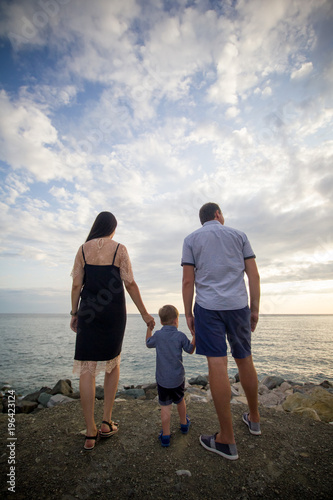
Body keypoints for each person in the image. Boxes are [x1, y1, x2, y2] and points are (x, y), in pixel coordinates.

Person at [181, 202, 261, 461]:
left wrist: (189, 313)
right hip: (238, 306)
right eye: (222, 213)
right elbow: (253, 276)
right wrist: (255, 309)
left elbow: (187, 280)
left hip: (208, 307)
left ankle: (227, 438)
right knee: (244, 359)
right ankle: (255, 420)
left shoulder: (191, 239)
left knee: (217, 365)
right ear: (217, 214)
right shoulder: (239, 236)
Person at [70, 211, 154, 451]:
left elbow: (77, 284)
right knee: (112, 363)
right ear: (113, 229)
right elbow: (130, 283)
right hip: (113, 314)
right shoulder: (120, 250)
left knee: (87, 367)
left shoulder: (83, 250)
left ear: (96, 226)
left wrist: (74, 313)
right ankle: (106, 422)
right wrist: (145, 314)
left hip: (88, 312)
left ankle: (90, 431)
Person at [146, 305, 195, 447]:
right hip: (178, 378)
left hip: (162, 380)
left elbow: (148, 343)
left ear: (161, 322)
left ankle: (166, 436)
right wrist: (194, 335)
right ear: (176, 320)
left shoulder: (158, 335)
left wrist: (149, 329)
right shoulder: (180, 336)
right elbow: (190, 349)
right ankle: (184, 424)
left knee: (165, 406)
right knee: (180, 401)